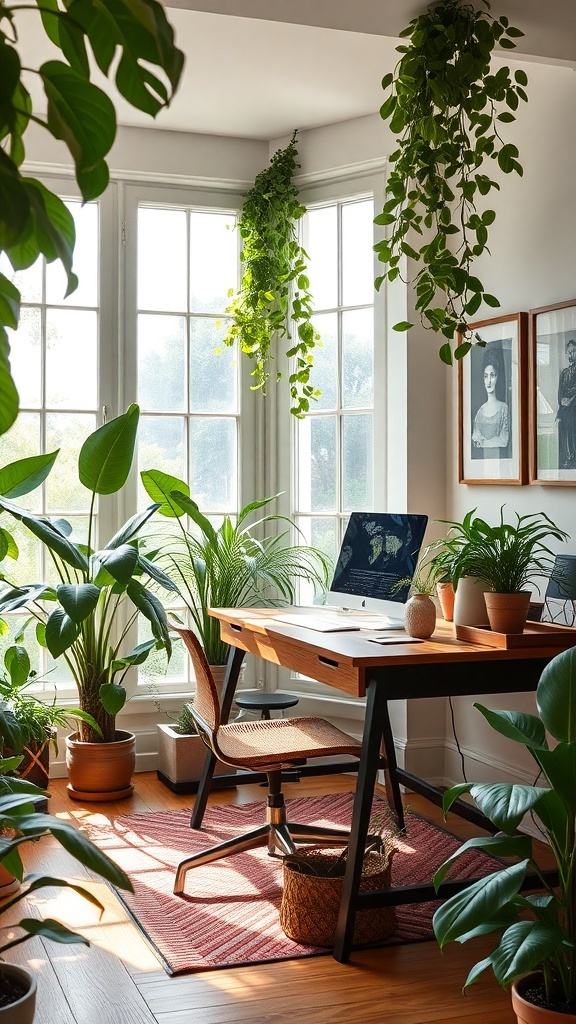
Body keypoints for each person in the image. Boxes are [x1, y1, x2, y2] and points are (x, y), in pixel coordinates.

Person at [471, 354, 509, 454]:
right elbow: (475, 439)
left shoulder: (504, 408)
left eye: (492, 375)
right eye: (486, 376)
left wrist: (483, 443)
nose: (488, 381)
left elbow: (504, 440)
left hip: (501, 457)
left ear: (497, 377)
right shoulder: (480, 411)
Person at [556, 338, 576, 469]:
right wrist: (562, 401)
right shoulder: (564, 373)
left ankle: (572, 457)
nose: (570, 354)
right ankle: (566, 458)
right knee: (562, 427)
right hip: (565, 409)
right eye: (569, 352)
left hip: (574, 407)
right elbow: (560, 392)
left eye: (573, 351)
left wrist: (572, 400)